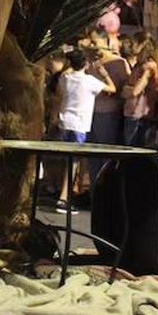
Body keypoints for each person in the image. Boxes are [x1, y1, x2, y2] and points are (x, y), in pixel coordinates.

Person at [53, 49, 108, 213]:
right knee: (74, 162)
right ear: (85, 64)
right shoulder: (90, 81)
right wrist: (103, 73)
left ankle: (62, 193)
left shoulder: (65, 78)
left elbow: (59, 95)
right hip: (80, 125)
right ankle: (63, 198)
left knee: (67, 160)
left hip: (65, 121)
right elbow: (112, 89)